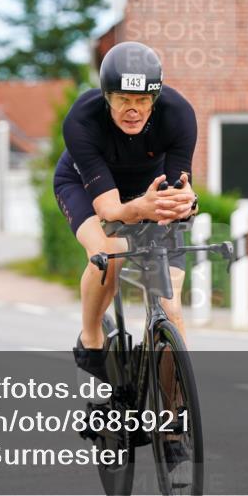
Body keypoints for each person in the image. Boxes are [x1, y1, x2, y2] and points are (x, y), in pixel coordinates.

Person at [54, 41, 198, 382]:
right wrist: (141, 208)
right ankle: (90, 339)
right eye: (123, 100)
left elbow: (178, 191)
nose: (133, 110)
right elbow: (109, 210)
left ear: (154, 99)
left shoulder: (179, 114)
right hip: (85, 186)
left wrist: (185, 203)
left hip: (150, 189)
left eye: (141, 101)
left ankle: (173, 416)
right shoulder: (82, 119)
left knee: (171, 307)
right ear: (107, 98)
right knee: (110, 252)